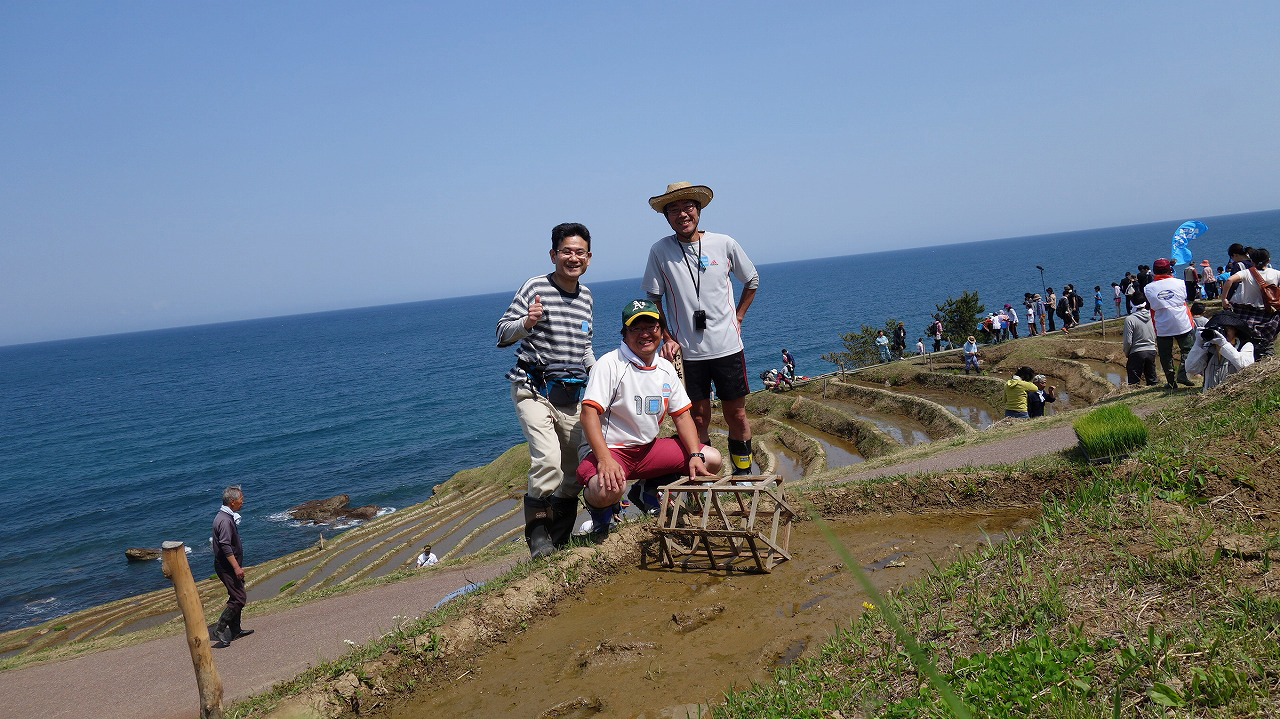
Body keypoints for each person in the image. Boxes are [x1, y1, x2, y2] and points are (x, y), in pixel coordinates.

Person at [575, 300, 723, 539]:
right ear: (624, 333)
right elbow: (588, 414)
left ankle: (649, 489)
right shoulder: (610, 364)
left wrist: (695, 454)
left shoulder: (665, 369)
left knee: (711, 459)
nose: (645, 334)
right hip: (612, 450)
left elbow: (682, 415)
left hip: (647, 450)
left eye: (651, 327)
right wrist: (604, 460)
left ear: (660, 330)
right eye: (636, 328)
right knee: (608, 488)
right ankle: (602, 519)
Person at [643, 182, 759, 476]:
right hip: (688, 352)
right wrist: (667, 337)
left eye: (688, 207)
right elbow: (653, 297)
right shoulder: (660, 250)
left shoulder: (724, 243)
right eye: (674, 209)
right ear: (667, 216)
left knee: (737, 414)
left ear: (699, 209)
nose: (682, 214)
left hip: (727, 347)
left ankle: (743, 474)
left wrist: (740, 318)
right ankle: (704, 477)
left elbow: (752, 280)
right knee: (697, 417)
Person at [497, 222, 595, 558]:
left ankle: (559, 537)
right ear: (553, 255)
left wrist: (601, 377)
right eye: (566, 251)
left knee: (574, 471)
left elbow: (585, 348)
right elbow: (501, 332)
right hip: (532, 387)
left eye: (579, 252)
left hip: (570, 395)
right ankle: (537, 536)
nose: (572, 257)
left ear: (589, 258)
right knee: (548, 460)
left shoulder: (586, 297)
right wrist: (527, 322)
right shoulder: (535, 287)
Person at [1143, 257, 1196, 388]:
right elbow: (1185, 298)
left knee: (1165, 355)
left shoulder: (1148, 288)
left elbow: (1150, 305)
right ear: (1169, 269)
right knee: (1187, 349)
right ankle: (1182, 374)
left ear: (1154, 271)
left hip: (1162, 325)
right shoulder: (1180, 283)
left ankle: (1171, 382)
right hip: (1181, 321)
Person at [211, 485, 253, 648]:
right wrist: (236, 567)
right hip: (227, 567)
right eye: (241, 499)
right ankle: (220, 628)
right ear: (233, 502)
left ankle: (235, 630)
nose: (243, 502)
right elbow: (225, 546)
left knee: (236, 595)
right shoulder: (224, 520)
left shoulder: (224, 517)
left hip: (227, 565)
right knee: (239, 597)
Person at [1220, 246, 1280, 357]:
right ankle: (1267, 349)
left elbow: (1229, 280)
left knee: (1246, 338)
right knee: (1268, 336)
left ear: (1252, 261)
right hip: (1267, 312)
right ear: (1269, 260)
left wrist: (1224, 299)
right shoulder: (1276, 273)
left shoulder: (1247, 273)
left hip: (1246, 312)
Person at [1184, 312, 1255, 392]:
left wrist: (1224, 345)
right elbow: (1191, 369)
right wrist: (1198, 344)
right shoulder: (1208, 347)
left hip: (1234, 397)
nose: (1222, 332)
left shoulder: (1245, 346)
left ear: (1235, 330)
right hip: (1210, 399)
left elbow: (1246, 368)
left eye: (1226, 329)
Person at [1122, 298, 1158, 386]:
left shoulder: (1130, 319)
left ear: (1132, 304)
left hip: (1137, 352)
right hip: (1151, 350)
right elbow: (1155, 333)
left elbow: (1128, 341)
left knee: (1134, 382)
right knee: (1152, 380)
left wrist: (1127, 353)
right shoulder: (1151, 316)